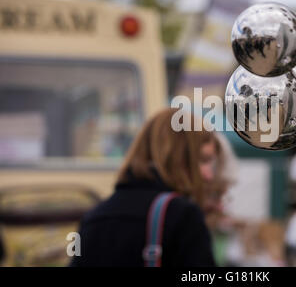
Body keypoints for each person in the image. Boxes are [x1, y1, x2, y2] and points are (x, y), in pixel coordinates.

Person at [70, 108, 223, 267]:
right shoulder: (183, 216)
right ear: (179, 158)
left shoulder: (94, 217)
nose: (208, 175)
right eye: (203, 160)